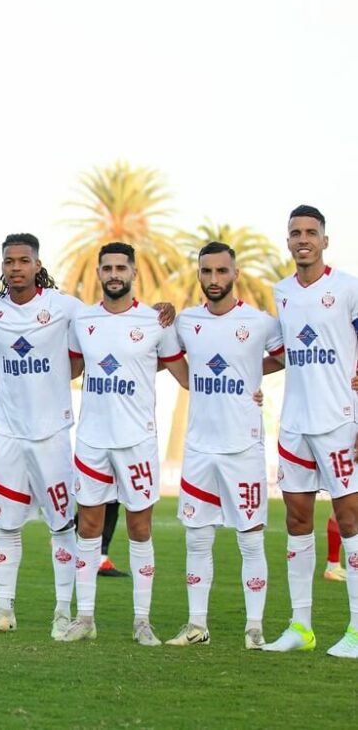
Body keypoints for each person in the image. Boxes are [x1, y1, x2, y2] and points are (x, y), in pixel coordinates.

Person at [60, 242, 186, 645]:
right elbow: (69, 368)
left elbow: (185, 374)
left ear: (133, 273)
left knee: (140, 527)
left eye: (121, 268)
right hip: (92, 440)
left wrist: (248, 387)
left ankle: (142, 621)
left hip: (137, 442)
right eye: (107, 268)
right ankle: (85, 618)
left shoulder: (156, 321)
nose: (114, 274)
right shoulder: (83, 319)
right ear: (99, 273)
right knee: (88, 527)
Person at [0, 233, 84, 639]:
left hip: (51, 434)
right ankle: (3, 610)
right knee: (6, 525)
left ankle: (63, 612)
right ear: (2, 266)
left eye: (23, 260)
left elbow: (98, 336)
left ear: (37, 265)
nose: (16, 267)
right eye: (9, 261)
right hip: (8, 433)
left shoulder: (64, 307)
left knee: (62, 527)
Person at [166, 241, 285, 649]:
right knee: (197, 538)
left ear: (235, 274)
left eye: (221, 271)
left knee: (250, 539)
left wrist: (253, 374)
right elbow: (175, 364)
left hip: (243, 448)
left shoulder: (260, 323)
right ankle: (196, 625)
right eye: (207, 271)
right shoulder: (186, 322)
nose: (214, 279)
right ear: (199, 275)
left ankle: (254, 628)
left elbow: (286, 356)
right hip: (200, 448)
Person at [264, 205, 358, 657]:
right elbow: (282, 355)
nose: (303, 239)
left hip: (339, 420)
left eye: (310, 232)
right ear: (288, 241)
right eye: (295, 233)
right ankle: (301, 627)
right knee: (297, 520)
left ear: (325, 240)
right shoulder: (281, 292)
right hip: (295, 425)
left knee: (350, 519)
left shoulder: (348, 289)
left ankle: (356, 629)